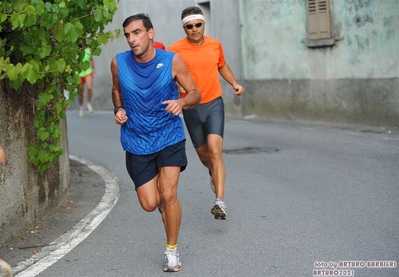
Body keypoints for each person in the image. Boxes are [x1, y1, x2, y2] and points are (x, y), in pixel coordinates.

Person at [110, 13, 201, 272]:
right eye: (128, 35)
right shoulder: (118, 63)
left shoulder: (172, 61)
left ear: (150, 33)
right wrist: (118, 108)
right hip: (137, 140)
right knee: (150, 203)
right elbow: (116, 89)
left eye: (136, 32)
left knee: (169, 194)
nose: (131, 39)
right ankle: (164, 207)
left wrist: (181, 102)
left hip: (169, 135)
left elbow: (195, 92)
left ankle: (171, 250)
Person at [168, 6, 245, 220]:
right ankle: (214, 173)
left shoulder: (214, 45)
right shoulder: (174, 50)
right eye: (189, 26)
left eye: (198, 25)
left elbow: (222, 65)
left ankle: (219, 201)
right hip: (191, 108)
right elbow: (169, 77)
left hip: (213, 104)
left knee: (215, 151)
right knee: (204, 156)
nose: (194, 30)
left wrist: (234, 83)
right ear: (184, 28)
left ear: (204, 24)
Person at [78, 47, 95, 117]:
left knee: (89, 87)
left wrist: (93, 67)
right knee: (80, 91)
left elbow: (91, 59)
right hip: (79, 73)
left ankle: (89, 103)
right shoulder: (75, 50)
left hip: (88, 71)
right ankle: (81, 107)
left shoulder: (88, 50)